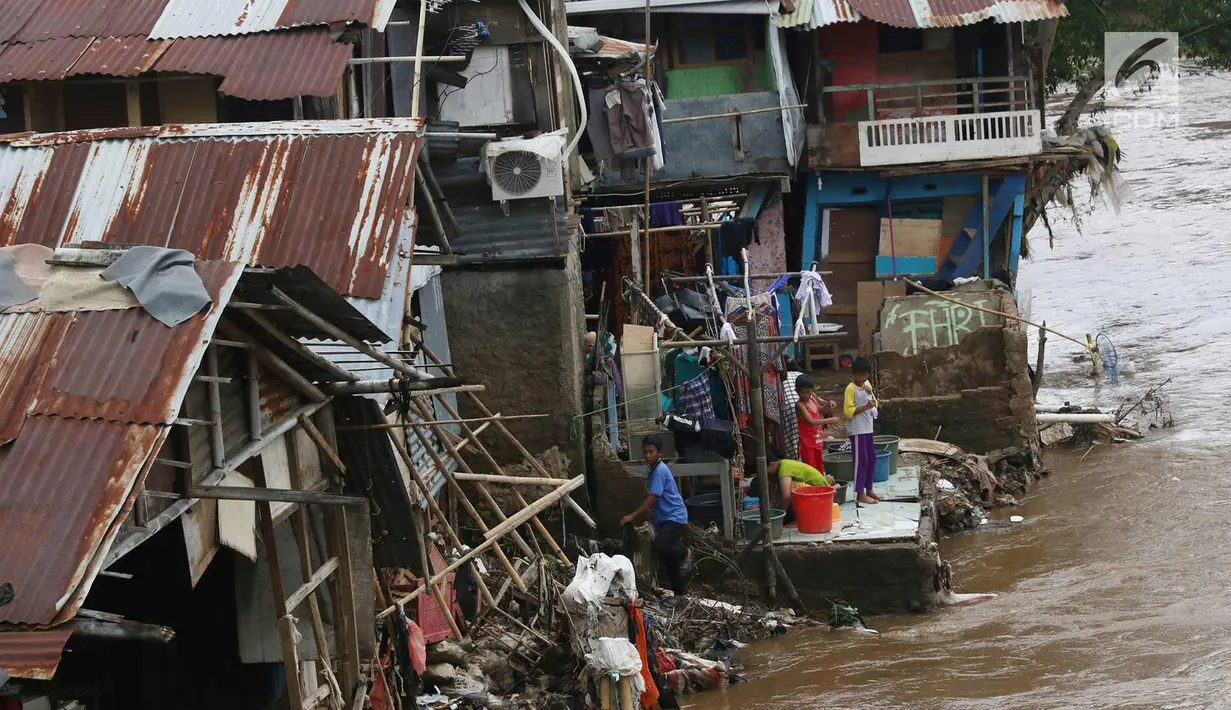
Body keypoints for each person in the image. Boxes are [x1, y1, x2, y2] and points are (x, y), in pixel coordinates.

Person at [620, 435, 691, 597]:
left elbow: (654, 497)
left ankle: (685, 553)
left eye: (651, 452)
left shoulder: (659, 471)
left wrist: (633, 515)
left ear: (659, 453)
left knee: (659, 545)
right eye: (645, 452)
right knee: (668, 559)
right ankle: (679, 595)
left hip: (675, 516)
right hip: (665, 518)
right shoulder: (653, 469)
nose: (647, 455)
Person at [844, 357, 880, 504]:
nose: (861, 377)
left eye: (864, 374)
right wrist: (865, 407)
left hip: (868, 428)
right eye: (859, 374)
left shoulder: (867, 385)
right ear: (854, 374)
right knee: (861, 461)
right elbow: (847, 410)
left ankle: (869, 488)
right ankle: (860, 492)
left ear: (868, 375)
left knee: (871, 458)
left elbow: (874, 401)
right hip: (857, 430)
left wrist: (872, 402)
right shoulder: (850, 388)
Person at [794, 375, 841, 473]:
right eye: (802, 392)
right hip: (807, 443)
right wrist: (830, 421)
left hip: (817, 441)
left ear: (812, 390)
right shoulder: (800, 405)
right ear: (797, 391)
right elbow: (811, 421)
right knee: (811, 469)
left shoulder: (813, 399)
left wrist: (828, 405)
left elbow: (819, 410)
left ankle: (820, 487)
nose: (806, 395)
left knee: (819, 467)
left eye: (808, 392)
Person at [767, 458, 834, 513]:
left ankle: (800, 519)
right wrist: (771, 504)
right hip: (818, 491)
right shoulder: (783, 463)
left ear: (771, 464)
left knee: (791, 487)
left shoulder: (784, 469)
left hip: (820, 493)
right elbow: (773, 486)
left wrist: (781, 513)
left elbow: (786, 496)